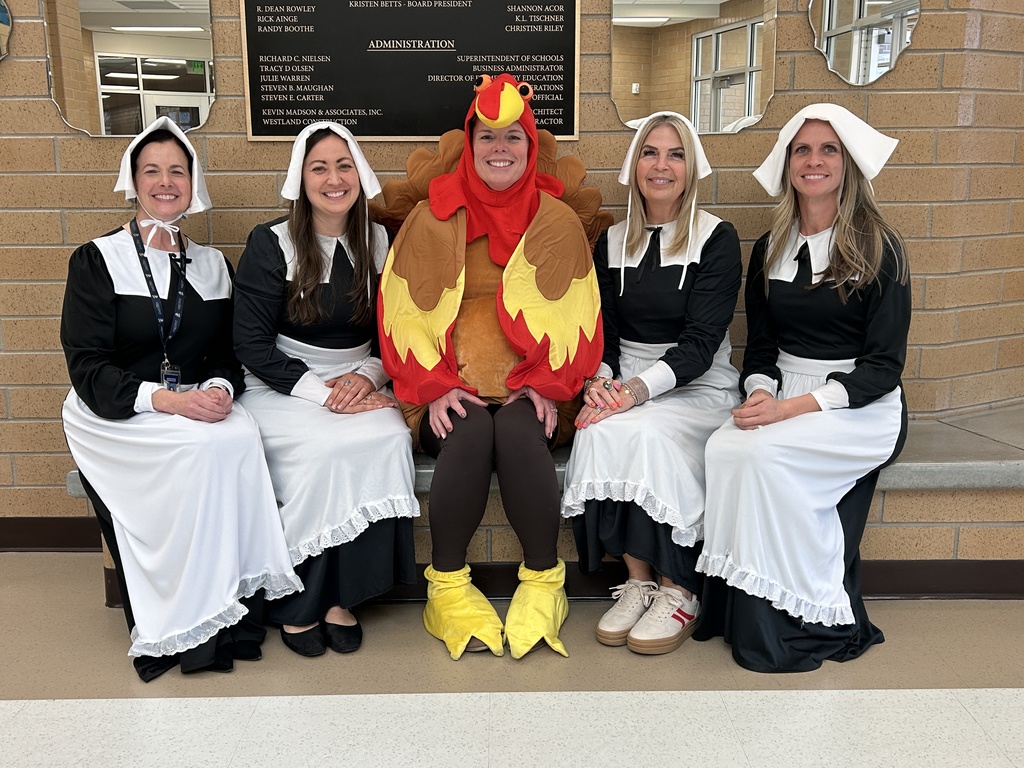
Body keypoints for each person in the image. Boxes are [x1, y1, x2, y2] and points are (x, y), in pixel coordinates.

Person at [59, 117, 302, 682]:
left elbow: (227, 352)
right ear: (133, 180)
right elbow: (88, 367)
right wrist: (168, 402)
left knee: (240, 437)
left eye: (177, 171)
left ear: (194, 183)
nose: (165, 182)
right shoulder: (95, 260)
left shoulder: (214, 264)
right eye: (152, 171)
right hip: (116, 409)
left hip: (192, 401)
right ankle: (183, 620)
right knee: (198, 455)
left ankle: (231, 614)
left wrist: (218, 387)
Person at [377, 74, 605, 660]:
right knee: (470, 428)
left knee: (520, 428)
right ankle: (448, 588)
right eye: (487, 137)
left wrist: (550, 384)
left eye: (513, 138)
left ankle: (543, 581)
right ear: (471, 144)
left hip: (538, 384)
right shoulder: (432, 217)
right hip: (443, 386)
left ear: (531, 149)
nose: (499, 148)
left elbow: (580, 308)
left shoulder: (555, 221)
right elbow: (401, 312)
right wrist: (433, 388)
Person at [695, 103, 911, 672]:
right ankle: (746, 611)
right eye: (802, 150)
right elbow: (761, 345)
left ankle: (808, 617)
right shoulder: (770, 246)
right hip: (784, 389)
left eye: (828, 149)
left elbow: (883, 367)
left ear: (848, 163)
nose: (814, 161)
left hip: (859, 403)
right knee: (724, 447)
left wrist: (790, 408)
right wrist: (761, 392)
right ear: (788, 162)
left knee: (764, 458)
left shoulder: (881, 248)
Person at [233, 122, 419, 658]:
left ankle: (342, 596)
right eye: (320, 167)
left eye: (344, 166)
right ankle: (299, 601)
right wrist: (322, 392)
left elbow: (402, 331)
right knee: (323, 450)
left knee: (386, 439)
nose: (334, 179)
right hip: (282, 384)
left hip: (362, 378)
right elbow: (250, 344)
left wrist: (368, 378)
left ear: (359, 173)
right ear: (300, 177)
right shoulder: (269, 243)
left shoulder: (381, 240)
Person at [561, 112, 742, 655]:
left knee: (647, 434)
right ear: (634, 164)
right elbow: (604, 333)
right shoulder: (611, 241)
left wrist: (634, 394)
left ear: (691, 168)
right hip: (625, 383)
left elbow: (701, 344)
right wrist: (600, 383)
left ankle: (678, 589)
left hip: (696, 384)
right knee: (595, 432)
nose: (661, 166)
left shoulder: (717, 238)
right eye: (650, 153)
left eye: (675, 154)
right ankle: (639, 582)